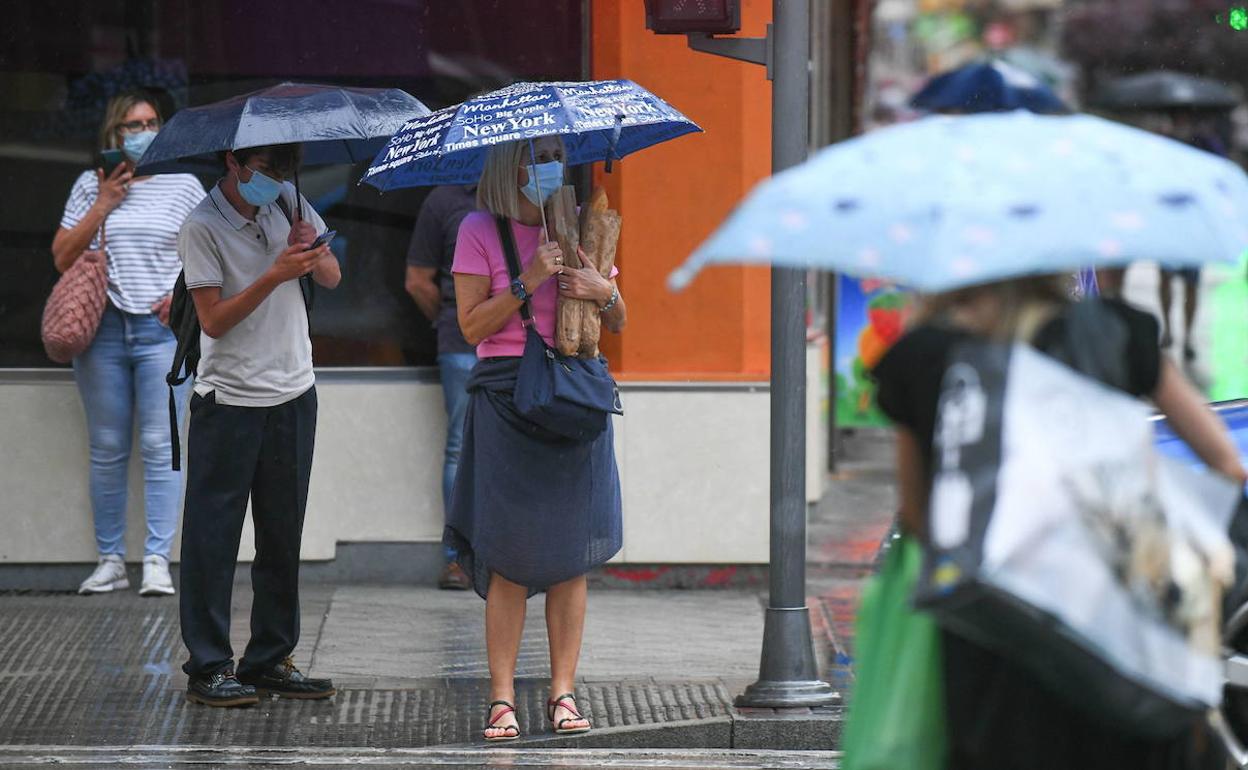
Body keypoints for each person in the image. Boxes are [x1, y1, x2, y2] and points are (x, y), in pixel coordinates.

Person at [872, 274, 1246, 769]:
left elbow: (920, 518)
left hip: (992, 636)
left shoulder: (925, 357)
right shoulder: (1116, 331)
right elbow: (1227, 465)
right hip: (1117, 631)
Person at [446, 136, 627, 741]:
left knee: (570, 557)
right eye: (533, 160)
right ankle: (502, 699)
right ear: (507, 169)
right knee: (511, 558)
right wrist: (527, 279)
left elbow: (619, 317)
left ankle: (564, 693)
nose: (546, 170)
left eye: (553, 159)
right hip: (506, 399)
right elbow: (471, 326)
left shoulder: (580, 222)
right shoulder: (477, 228)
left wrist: (604, 293)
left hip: (574, 400)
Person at [176, 142, 341, 707]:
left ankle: (270, 657)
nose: (272, 181)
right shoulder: (201, 225)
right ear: (232, 162)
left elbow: (335, 275)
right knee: (212, 537)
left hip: (294, 391)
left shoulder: (291, 203)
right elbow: (213, 321)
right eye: (264, 170)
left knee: (282, 533)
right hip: (229, 400)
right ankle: (208, 665)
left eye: (282, 170)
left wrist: (312, 252)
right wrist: (275, 274)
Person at [52, 90, 205, 597]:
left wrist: (178, 298)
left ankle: (157, 559)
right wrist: (103, 204)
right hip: (103, 331)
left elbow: (205, 254)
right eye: (131, 125)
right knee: (108, 448)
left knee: (163, 446)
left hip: (161, 331)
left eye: (152, 122)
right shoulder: (89, 185)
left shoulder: (184, 186)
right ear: (114, 135)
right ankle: (111, 559)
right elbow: (62, 256)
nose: (143, 132)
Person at [405, 184, 479, 591]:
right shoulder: (446, 200)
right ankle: (459, 559)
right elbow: (418, 280)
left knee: (498, 448)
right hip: (461, 344)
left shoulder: (532, 197)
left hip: (515, 342)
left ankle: (500, 555)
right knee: (461, 446)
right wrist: (456, 319)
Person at [1158, 112, 1229, 361]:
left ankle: (1186, 335)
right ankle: (1168, 328)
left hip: (1193, 223)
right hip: (1168, 221)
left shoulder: (1204, 142)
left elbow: (1221, 170)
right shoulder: (1162, 141)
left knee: (1191, 283)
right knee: (1165, 279)